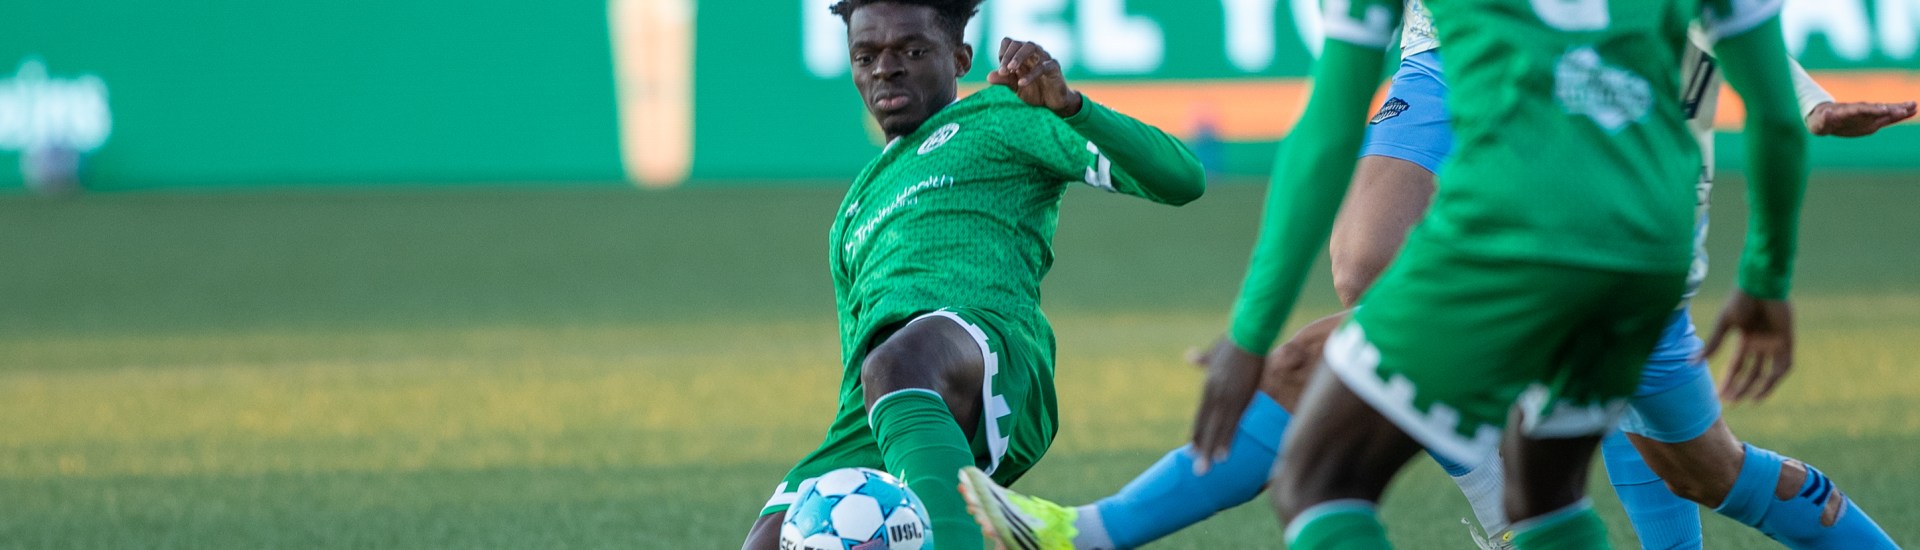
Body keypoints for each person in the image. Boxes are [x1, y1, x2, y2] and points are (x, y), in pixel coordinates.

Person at [957, 1, 1914, 548]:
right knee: (1675, 466)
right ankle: (1086, 532)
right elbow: (1756, 86)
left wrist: (1246, 332)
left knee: (1311, 415)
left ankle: (1084, 534)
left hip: (1536, 209)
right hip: (1646, 230)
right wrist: (1768, 273)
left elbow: (1326, 128)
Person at [739, 0, 1208, 548]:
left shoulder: (1006, 116)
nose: (884, 69)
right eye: (864, 55)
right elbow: (860, 364)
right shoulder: (853, 210)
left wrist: (1072, 107)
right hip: (891, 392)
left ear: (960, 57)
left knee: (898, 362)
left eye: (911, 51)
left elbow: (1183, 177)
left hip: (993, 352)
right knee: (770, 539)